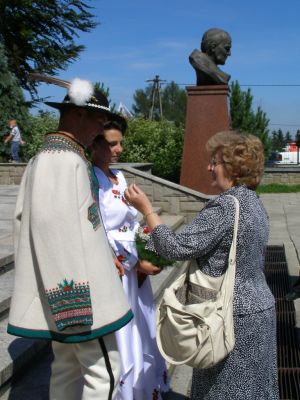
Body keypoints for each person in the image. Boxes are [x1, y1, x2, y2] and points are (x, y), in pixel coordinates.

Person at [125, 131, 279, 400]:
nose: (209, 167)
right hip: (259, 309)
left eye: (215, 162)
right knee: (255, 390)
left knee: (224, 392)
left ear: (234, 167)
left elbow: (177, 247)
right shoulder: (253, 202)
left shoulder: (225, 207)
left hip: (230, 317)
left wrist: (146, 209)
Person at [7, 77, 133, 400]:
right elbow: (52, 232)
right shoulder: (62, 162)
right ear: (78, 114)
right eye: (98, 120)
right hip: (79, 301)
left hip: (71, 294)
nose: (100, 130)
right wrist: (72, 306)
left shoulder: (49, 158)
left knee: (65, 370)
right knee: (106, 373)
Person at [90, 121, 169, 400]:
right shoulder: (91, 180)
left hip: (134, 265)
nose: (119, 149)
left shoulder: (119, 177)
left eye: (120, 142)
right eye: (112, 144)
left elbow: (131, 222)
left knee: (142, 324)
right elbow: (96, 228)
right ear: (94, 144)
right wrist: (134, 263)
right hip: (117, 268)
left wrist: (148, 251)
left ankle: (144, 388)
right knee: (124, 331)